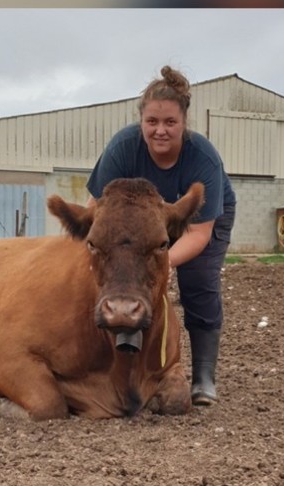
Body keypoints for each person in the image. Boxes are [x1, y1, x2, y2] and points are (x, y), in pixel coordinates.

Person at [86, 65, 236, 406]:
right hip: (140, 224)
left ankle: (202, 376)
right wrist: (94, 248)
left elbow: (198, 234)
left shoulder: (203, 158)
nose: (160, 130)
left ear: (184, 123)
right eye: (152, 122)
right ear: (141, 121)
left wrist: (156, 262)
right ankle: (128, 350)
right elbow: (98, 207)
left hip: (201, 218)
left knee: (198, 280)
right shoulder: (123, 147)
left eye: (170, 122)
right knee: (126, 278)